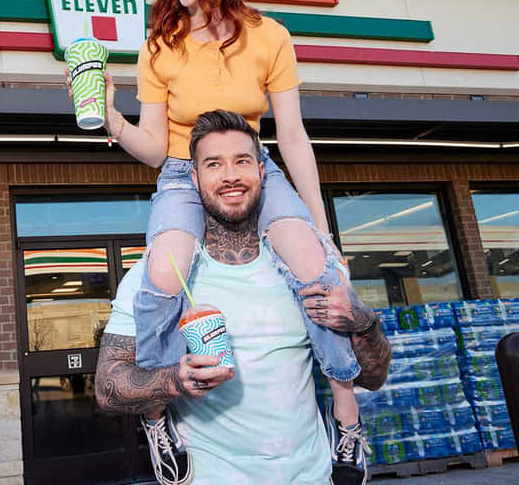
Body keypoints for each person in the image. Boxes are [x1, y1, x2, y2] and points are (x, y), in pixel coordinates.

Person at [68, 0, 366, 484]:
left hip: (254, 164)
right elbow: (155, 149)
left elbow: (294, 137)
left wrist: (322, 229)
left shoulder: (270, 36)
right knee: (165, 264)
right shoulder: (160, 46)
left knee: (312, 261)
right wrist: (110, 116)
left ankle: (346, 416)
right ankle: (156, 413)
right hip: (183, 172)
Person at [95, 110, 392, 484]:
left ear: (263, 171)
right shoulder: (159, 272)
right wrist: (174, 380)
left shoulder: (303, 265)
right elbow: (108, 387)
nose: (230, 175)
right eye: (214, 164)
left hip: (312, 476)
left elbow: (374, 375)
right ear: (194, 177)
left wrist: (363, 321)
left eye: (242, 161)